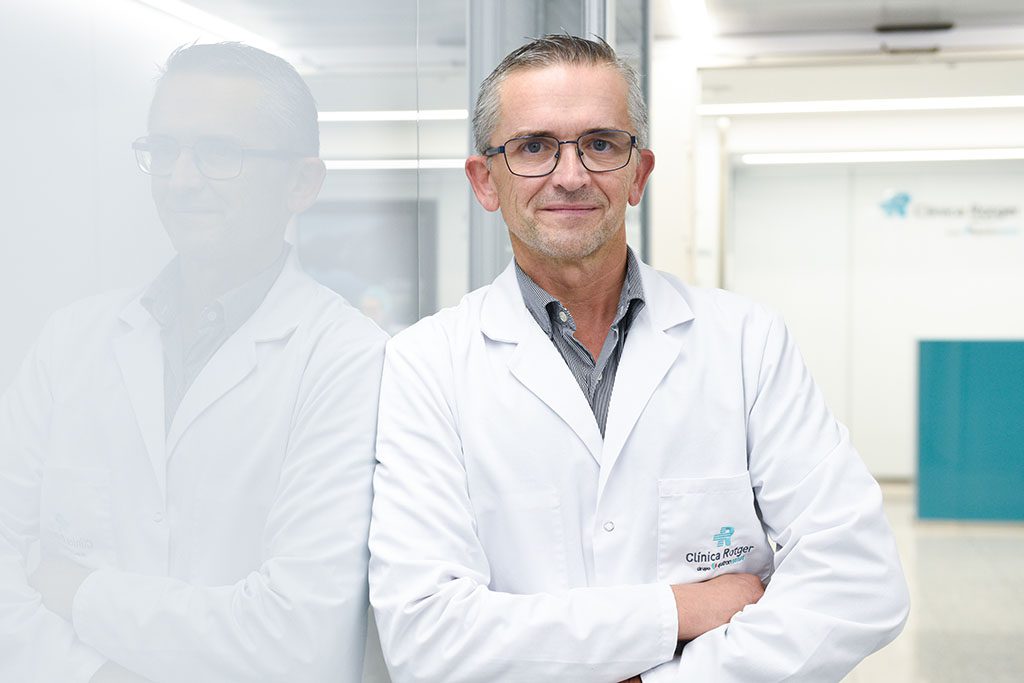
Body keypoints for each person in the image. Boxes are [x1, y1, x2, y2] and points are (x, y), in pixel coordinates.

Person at [368, 34, 909, 682]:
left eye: (600, 144)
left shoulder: (747, 343)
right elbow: (427, 637)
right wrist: (676, 610)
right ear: (486, 181)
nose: (571, 175)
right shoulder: (425, 365)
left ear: (639, 174)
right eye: (534, 147)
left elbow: (859, 580)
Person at [0, 43, 386, 682]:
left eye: (218, 153)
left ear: (301, 183)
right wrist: (100, 676)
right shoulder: (70, 341)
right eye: (164, 150)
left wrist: (83, 593)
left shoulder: (348, 360)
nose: (180, 180)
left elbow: (300, 638)